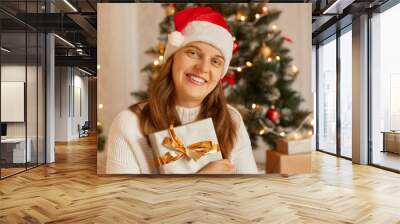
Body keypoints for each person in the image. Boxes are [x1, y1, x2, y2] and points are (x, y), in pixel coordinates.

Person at [105, 6, 258, 174]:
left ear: (221, 74)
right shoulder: (129, 124)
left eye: (216, 61)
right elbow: (122, 200)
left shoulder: (232, 120)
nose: (203, 68)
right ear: (172, 58)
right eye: (193, 53)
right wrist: (200, 181)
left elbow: (250, 193)